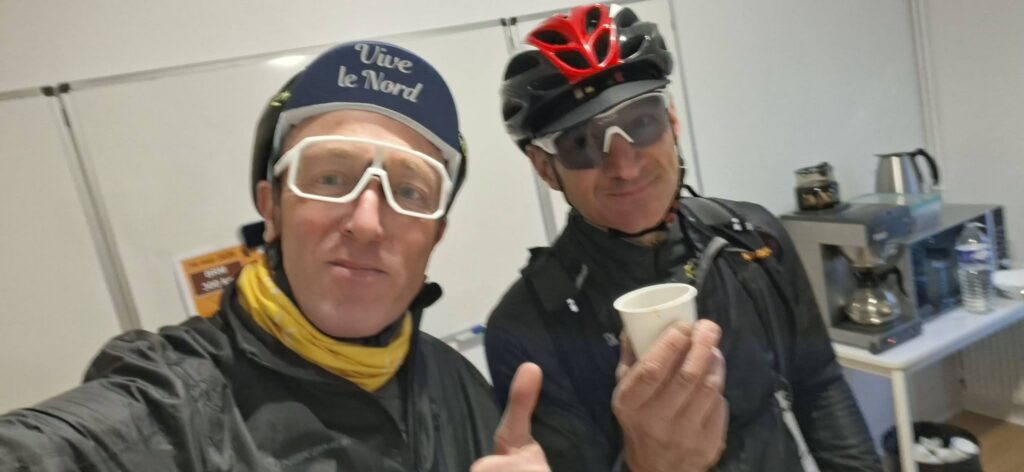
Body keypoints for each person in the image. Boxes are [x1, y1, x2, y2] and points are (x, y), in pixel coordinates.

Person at [0, 41, 549, 472]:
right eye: (330, 177)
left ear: (436, 235)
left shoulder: (456, 383)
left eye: (409, 191)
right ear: (272, 209)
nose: (366, 223)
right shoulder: (172, 402)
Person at [486, 4, 882, 472]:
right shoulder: (525, 327)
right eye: (581, 143)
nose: (625, 166)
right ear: (545, 167)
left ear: (672, 121)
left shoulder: (752, 239)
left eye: (641, 122)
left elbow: (819, 384)